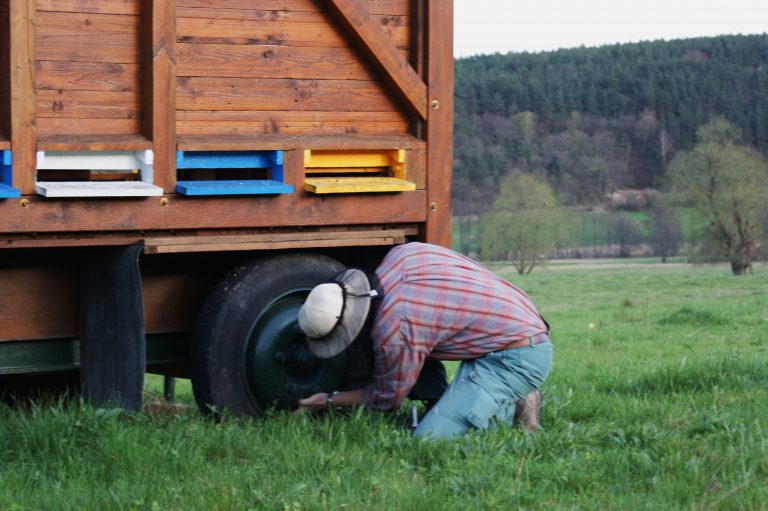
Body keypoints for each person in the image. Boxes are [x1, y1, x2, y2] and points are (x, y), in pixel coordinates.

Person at [296, 242, 553, 439]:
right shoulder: (398, 257)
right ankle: (453, 400)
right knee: (418, 346)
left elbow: (386, 400)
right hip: (519, 316)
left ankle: (515, 401)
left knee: (429, 439)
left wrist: (327, 400)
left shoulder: (394, 333)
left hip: (518, 354)